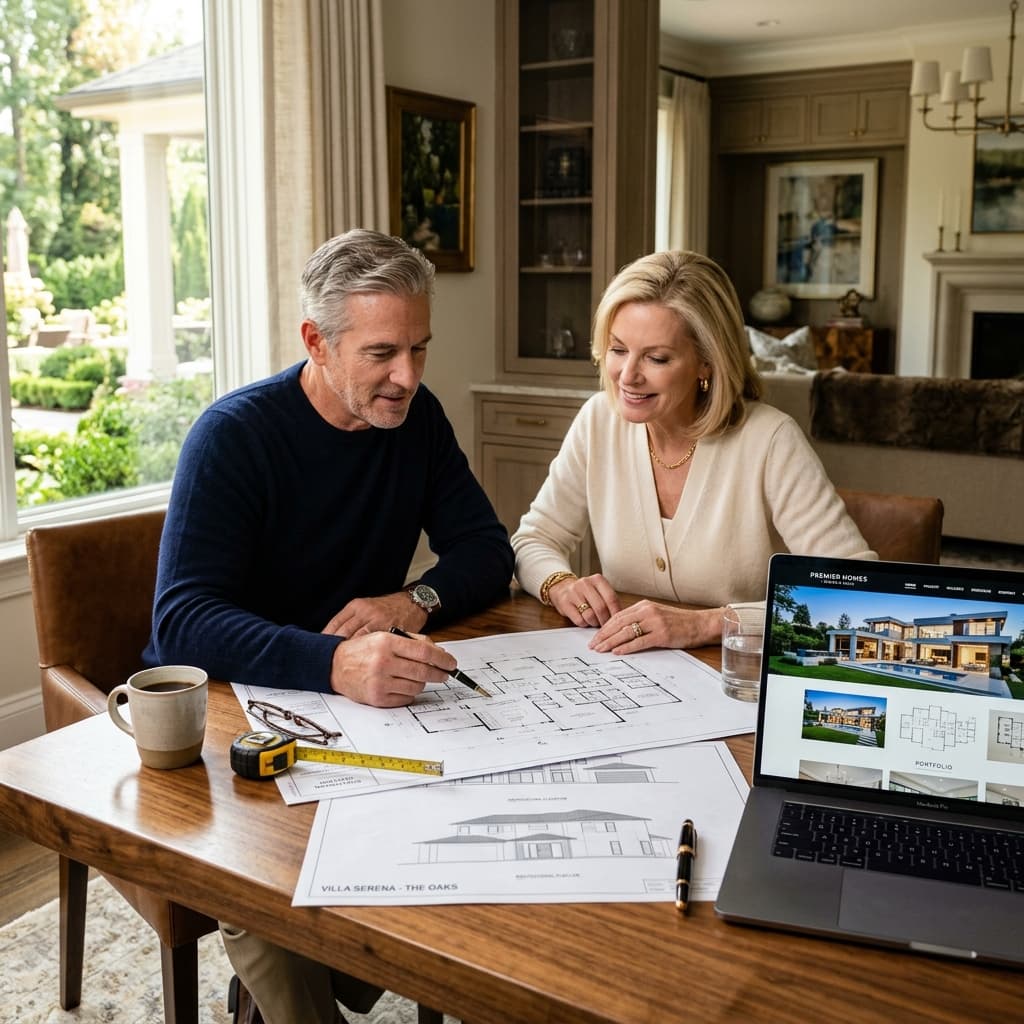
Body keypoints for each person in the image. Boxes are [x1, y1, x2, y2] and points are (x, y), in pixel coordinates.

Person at [145, 228, 514, 1023]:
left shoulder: (417, 421)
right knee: (263, 892)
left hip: (354, 708)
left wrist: (415, 602)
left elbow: (487, 550)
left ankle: (338, 965)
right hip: (232, 716)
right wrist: (334, 663)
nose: (408, 376)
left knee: (460, 842)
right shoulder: (234, 436)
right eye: (382, 353)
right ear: (316, 341)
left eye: (419, 347)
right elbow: (180, 623)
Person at [511, 249, 875, 656]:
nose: (627, 376)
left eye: (656, 357)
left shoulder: (769, 440)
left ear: (707, 362)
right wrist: (559, 584)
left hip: (738, 675)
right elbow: (532, 540)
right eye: (617, 349)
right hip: (624, 676)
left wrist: (706, 623)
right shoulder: (598, 421)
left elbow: (855, 592)